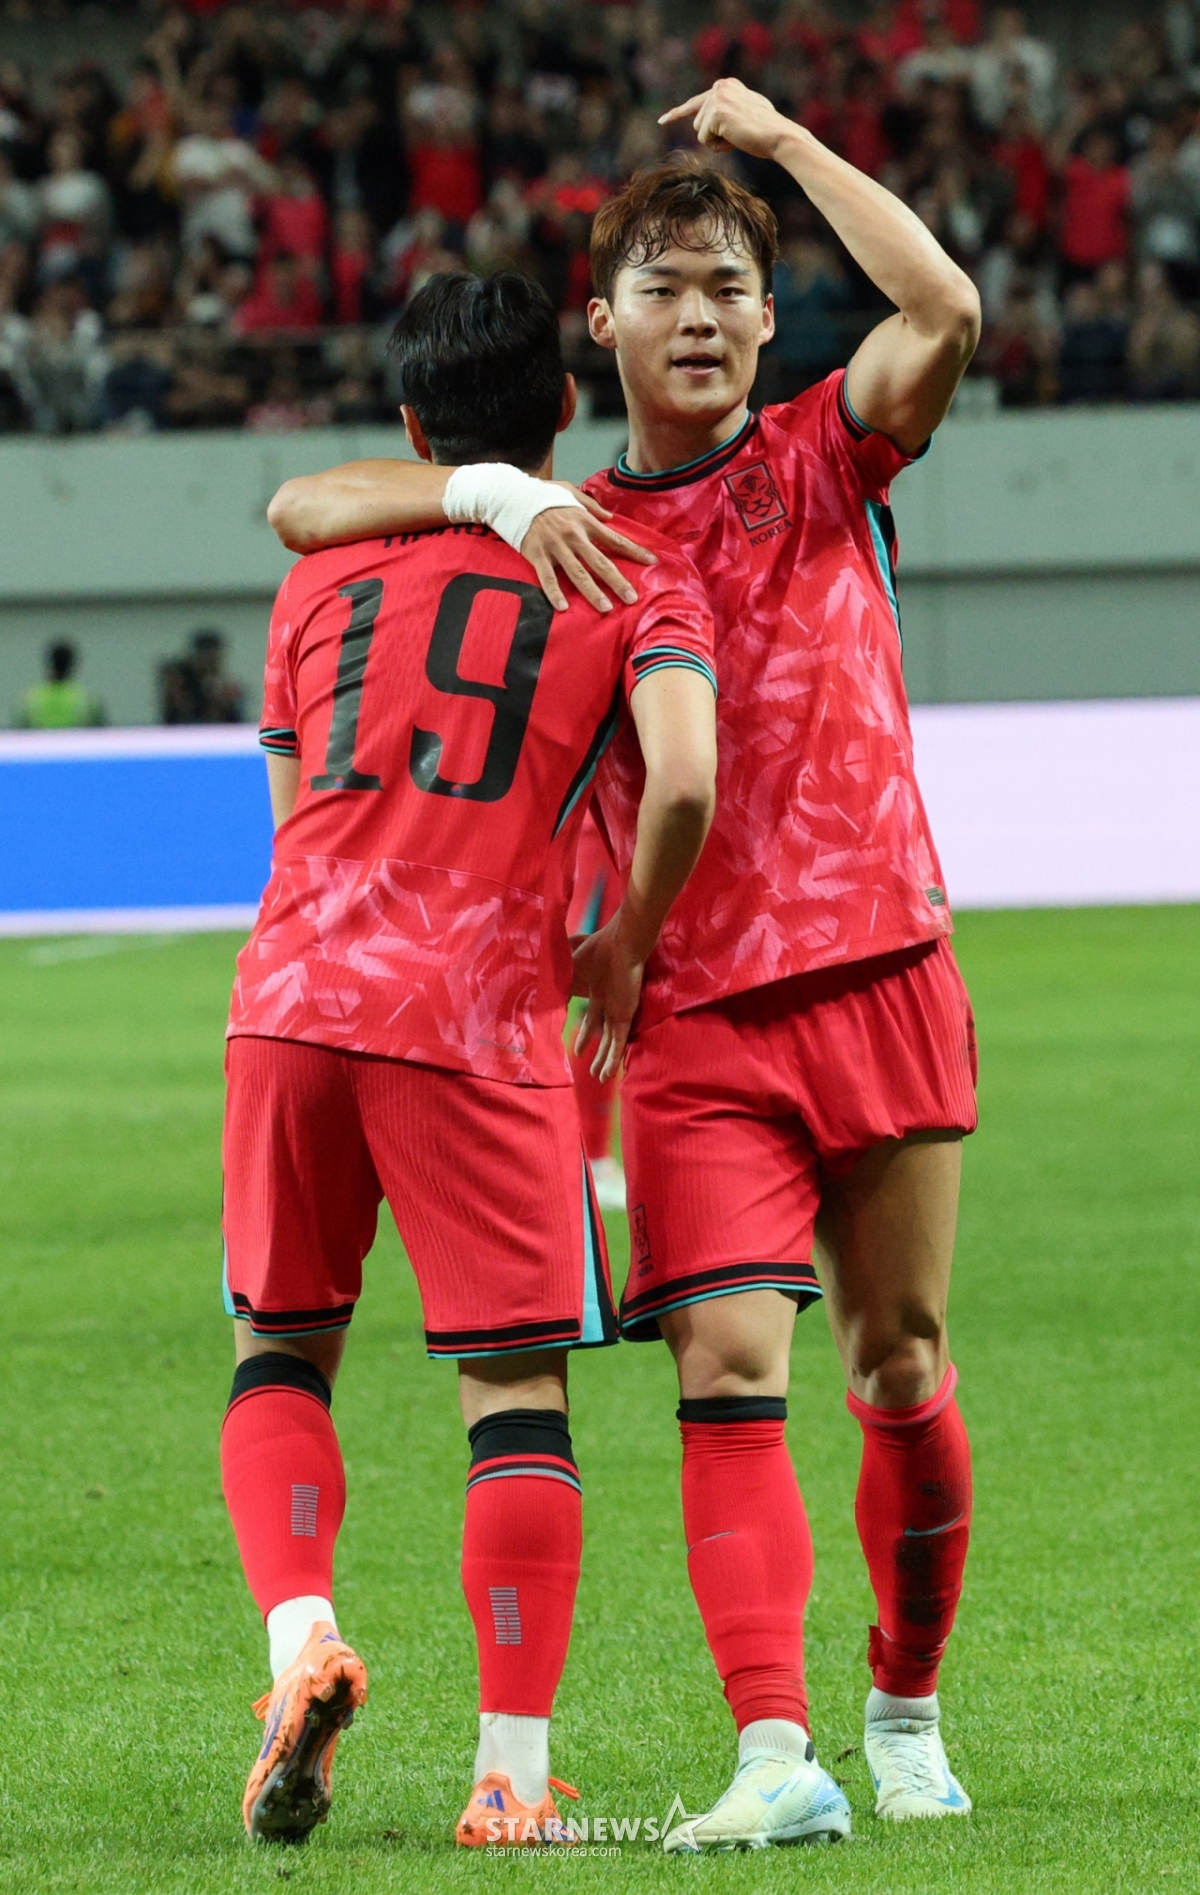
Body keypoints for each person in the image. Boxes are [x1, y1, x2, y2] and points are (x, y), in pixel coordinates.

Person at [266, 82, 983, 1852]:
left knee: (900, 1360)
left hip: (879, 958)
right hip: (679, 1013)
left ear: (770, 314)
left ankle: (905, 1706)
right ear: (602, 324)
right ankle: (775, 1750)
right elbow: (312, 500)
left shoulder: (828, 452)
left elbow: (946, 308)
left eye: (732, 286)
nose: (703, 315)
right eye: (666, 286)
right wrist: (488, 490)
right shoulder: (564, 530)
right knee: (724, 1366)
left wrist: (787, 149)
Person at [220, 270, 718, 1848]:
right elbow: (686, 783)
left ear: (413, 421)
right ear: (566, 405)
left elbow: (292, 814)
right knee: (515, 1391)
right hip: (477, 1015)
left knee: (282, 1349)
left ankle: (304, 1637)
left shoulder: (322, 575)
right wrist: (625, 934)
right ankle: (507, 1776)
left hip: (293, 996)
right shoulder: (625, 572)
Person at [566, 809, 626, 1212]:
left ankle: (592, 1155)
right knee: (599, 998)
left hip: (619, 836)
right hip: (608, 839)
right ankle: (590, 1156)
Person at [159, 627, 245, 724]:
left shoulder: (219, 682)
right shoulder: (180, 678)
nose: (214, 662)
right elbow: (181, 712)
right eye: (210, 657)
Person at [13, 639, 105, 729]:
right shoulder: (87, 700)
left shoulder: (29, 700)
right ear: (72, 665)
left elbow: (17, 732)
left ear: (50, 663)